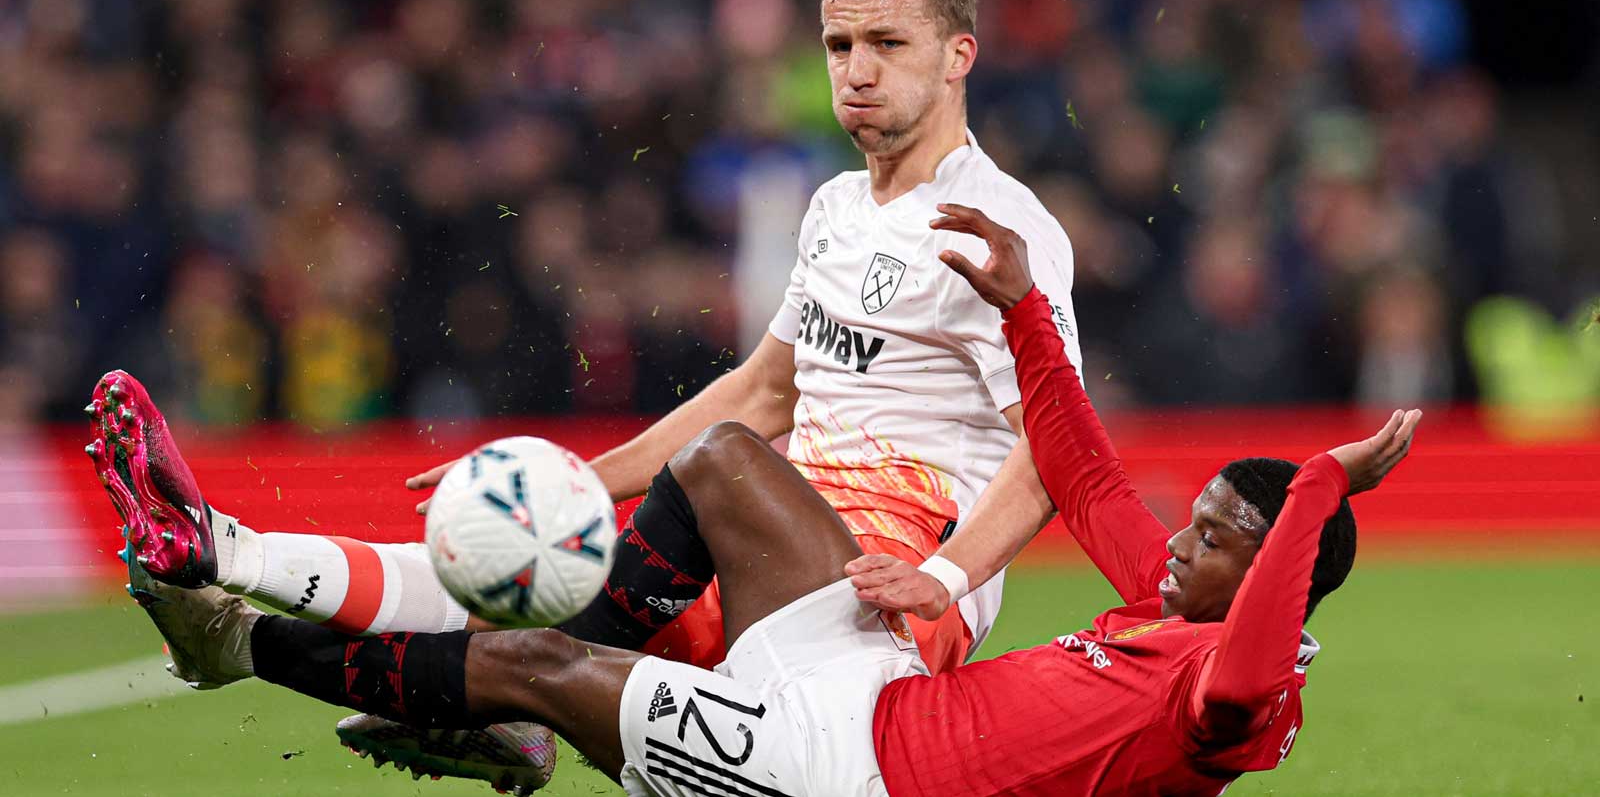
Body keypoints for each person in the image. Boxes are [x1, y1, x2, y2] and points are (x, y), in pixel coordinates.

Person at [89, 0, 1083, 790]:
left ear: (959, 56)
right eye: (838, 44)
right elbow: (766, 388)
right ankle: (224, 584)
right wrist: (573, 483)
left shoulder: (998, 227)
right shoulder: (831, 209)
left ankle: (236, 578)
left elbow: (1052, 453)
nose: (856, 69)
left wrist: (947, 580)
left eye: (886, 44)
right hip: (760, 536)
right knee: (526, 592)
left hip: (878, 587)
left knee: (614, 559)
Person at [109, 203, 1420, 796]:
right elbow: (1077, 471)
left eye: (1215, 542)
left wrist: (1313, 489)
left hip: (836, 774)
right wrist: (1025, 308)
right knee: (727, 463)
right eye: (1196, 521)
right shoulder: (1171, 602)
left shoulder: (1239, 696)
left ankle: (249, 648)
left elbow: (1242, 683)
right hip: (875, 685)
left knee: (530, 662)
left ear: (1275, 576)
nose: (1178, 542)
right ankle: (527, 690)